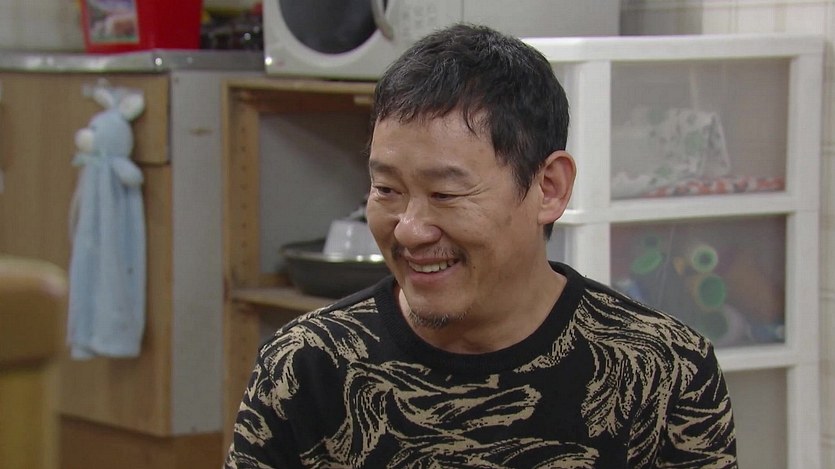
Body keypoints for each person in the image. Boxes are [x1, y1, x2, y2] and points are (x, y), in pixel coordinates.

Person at [225, 23, 737, 468]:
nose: (408, 230)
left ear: (548, 188)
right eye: (387, 189)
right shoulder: (307, 366)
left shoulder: (664, 371)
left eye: (445, 194)